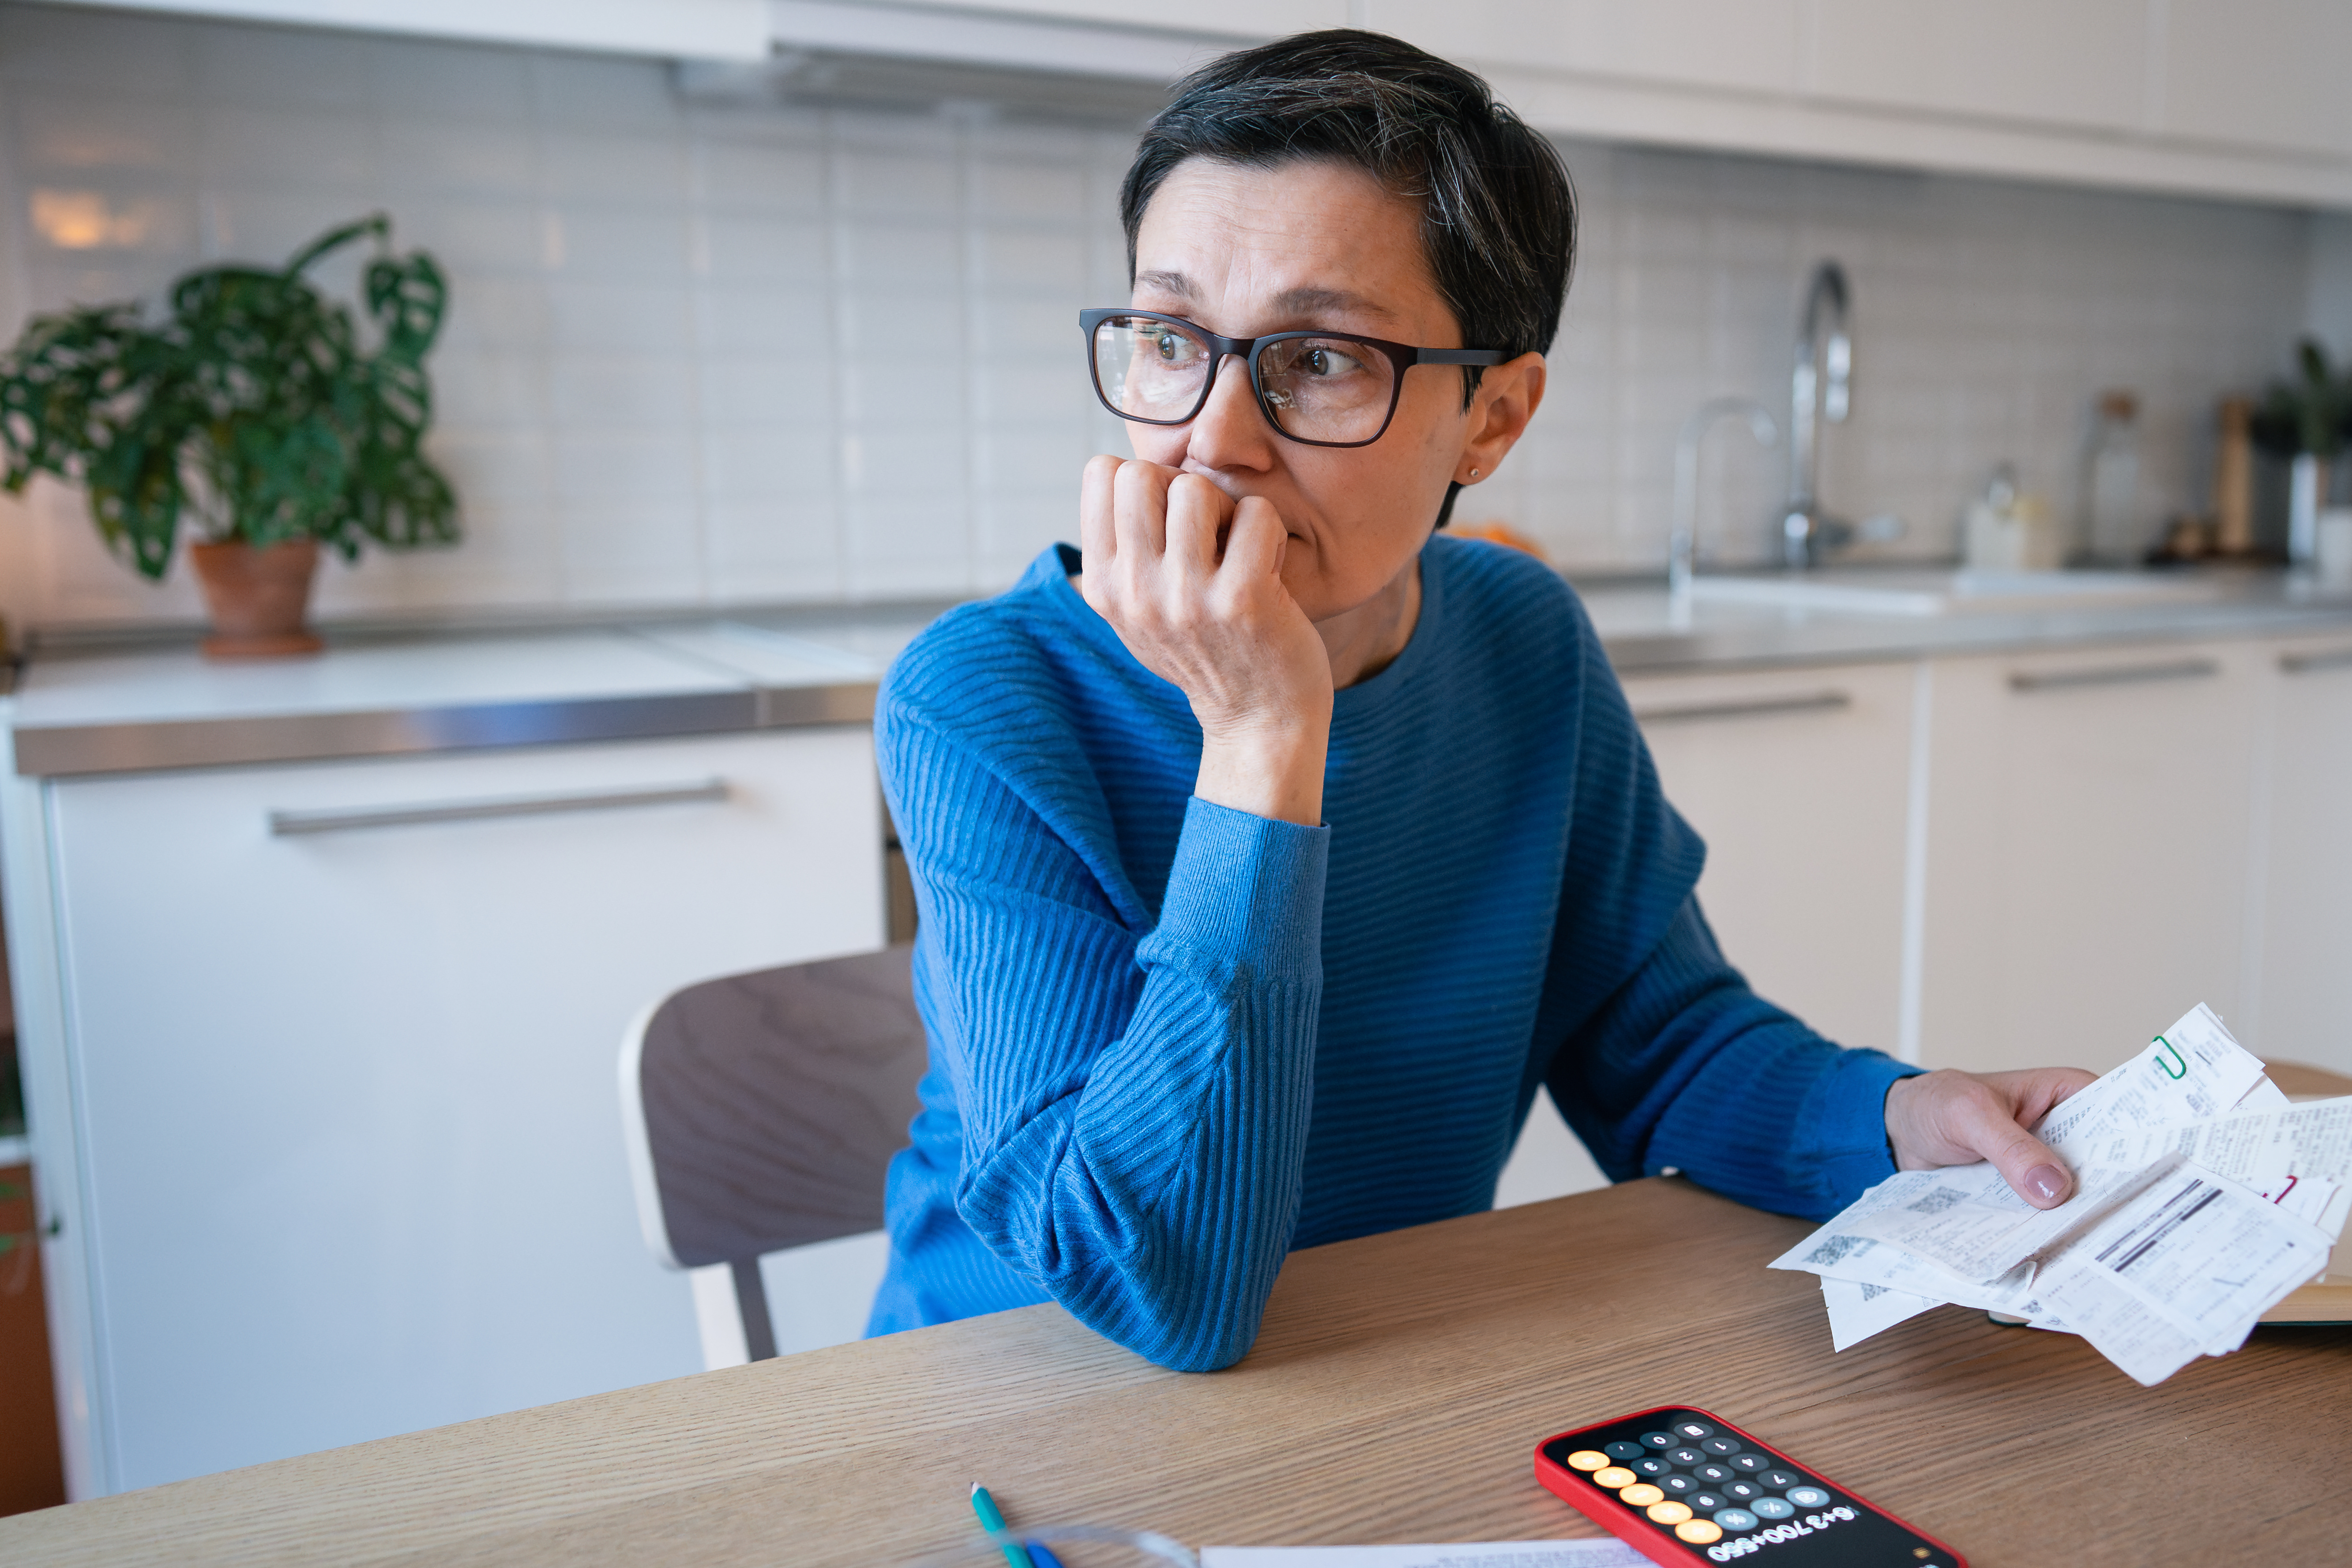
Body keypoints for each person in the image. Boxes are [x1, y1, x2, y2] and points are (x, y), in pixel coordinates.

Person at [865, 30, 2093, 1371]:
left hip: (1383, 1373)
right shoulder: (982, 700)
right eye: (1170, 340)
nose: (1213, 439)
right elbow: (1157, 1287)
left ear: (1495, 418)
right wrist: (1264, 738)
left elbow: (1658, 1043)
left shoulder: (1522, 642)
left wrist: (1897, 1116)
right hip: (1013, 1411)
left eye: (1321, 360)